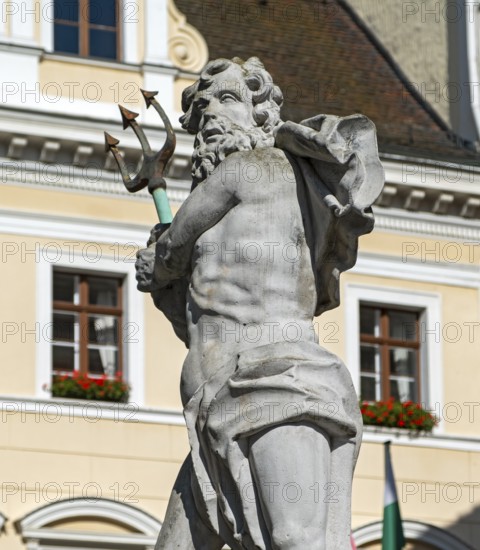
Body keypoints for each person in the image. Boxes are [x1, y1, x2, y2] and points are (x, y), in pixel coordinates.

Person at [135, 56, 384, 550]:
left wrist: (158, 259)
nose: (211, 112)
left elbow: (173, 246)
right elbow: (193, 314)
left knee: (296, 540)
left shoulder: (254, 167)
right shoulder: (224, 221)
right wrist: (168, 275)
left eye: (227, 99)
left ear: (262, 116)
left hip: (275, 384)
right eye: (202, 104)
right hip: (214, 403)